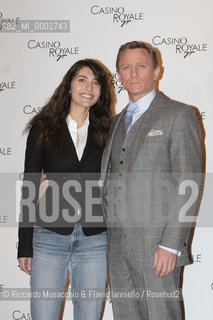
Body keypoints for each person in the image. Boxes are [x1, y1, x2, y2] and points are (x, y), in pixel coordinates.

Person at [101, 41, 202, 319]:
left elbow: (188, 183)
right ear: (119, 75)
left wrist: (171, 243)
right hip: (117, 246)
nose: (133, 73)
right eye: (126, 67)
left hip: (157, 245)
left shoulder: (179, 114)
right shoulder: (114, 123)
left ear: (156, 71)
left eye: (141, 66)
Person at [17, 59, 112, 320]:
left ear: (101, 91)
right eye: (82, 80)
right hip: (49, 235)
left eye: (96, 83)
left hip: (95, 238)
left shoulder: (109, 130)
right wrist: (25, 245)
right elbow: (30, 186)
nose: (89, 87)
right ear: (69, 85)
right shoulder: (44, 128)